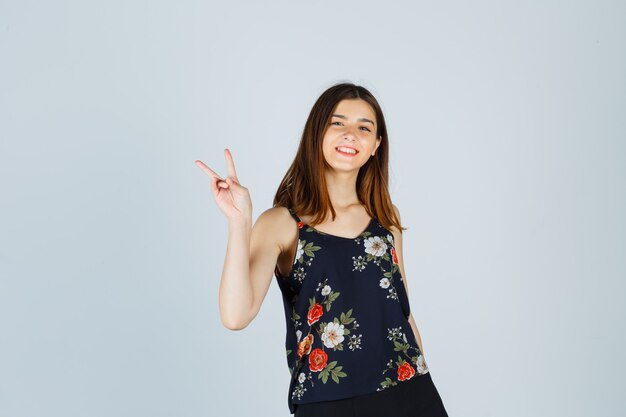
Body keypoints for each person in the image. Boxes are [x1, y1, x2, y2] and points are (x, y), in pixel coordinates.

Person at [195, 82, 449, 416]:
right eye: (338, 122)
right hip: (328, 402)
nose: (350, 134)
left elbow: (402, 311)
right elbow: (235, 316)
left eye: (364, 127)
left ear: (376, 145)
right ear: (317, 133)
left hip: (410, 393)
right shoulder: (282, 223)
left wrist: (424, 373)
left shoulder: (386, 220)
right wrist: (239, 223)